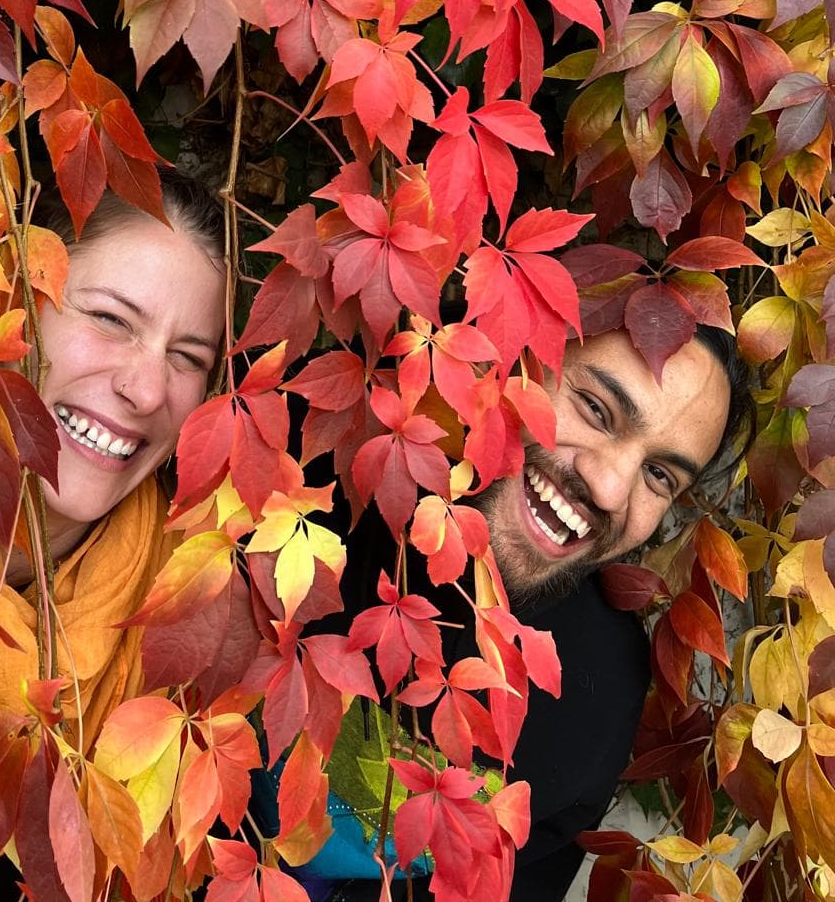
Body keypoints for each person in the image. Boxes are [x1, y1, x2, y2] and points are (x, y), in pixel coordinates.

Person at [289, 318, 752, 902]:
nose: (610, 488)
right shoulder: (307, 457)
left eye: (658, 475)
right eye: (595, 408)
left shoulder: (594, 699)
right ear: (506, 350)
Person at [0, 169, 227, 896]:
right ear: (12, 307)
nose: (146, 388)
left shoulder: (189, 636)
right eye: (110, 319)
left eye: (187, 358)